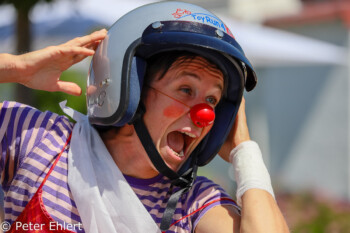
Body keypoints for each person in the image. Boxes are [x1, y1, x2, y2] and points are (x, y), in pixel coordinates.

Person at [0, 2, 289, 233]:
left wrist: (244, 148)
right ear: (128, 89)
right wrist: (15, 67)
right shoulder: (42, 140)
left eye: (212, 100)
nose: (205, 115)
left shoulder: (194, 203)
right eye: (186, 89)